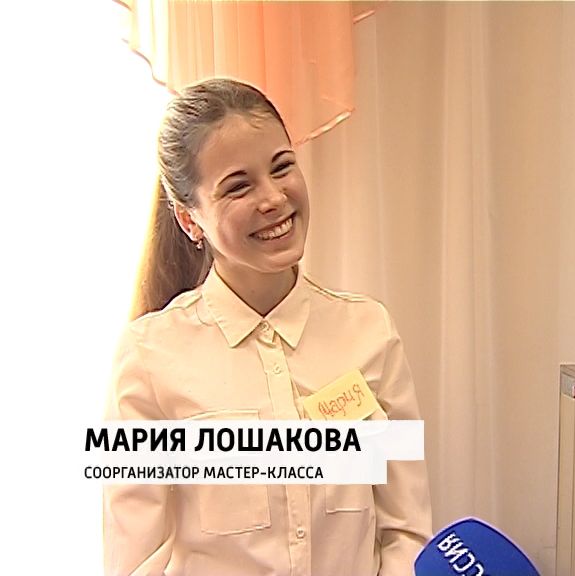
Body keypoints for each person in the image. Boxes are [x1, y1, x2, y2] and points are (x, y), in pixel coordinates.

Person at [103, 78, 432, 576]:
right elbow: (136, 560)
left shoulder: (369, 331)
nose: (274, 197)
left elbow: (406, 530)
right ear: (190, 220)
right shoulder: (149, 357)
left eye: (282, 167)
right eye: (239, 186)